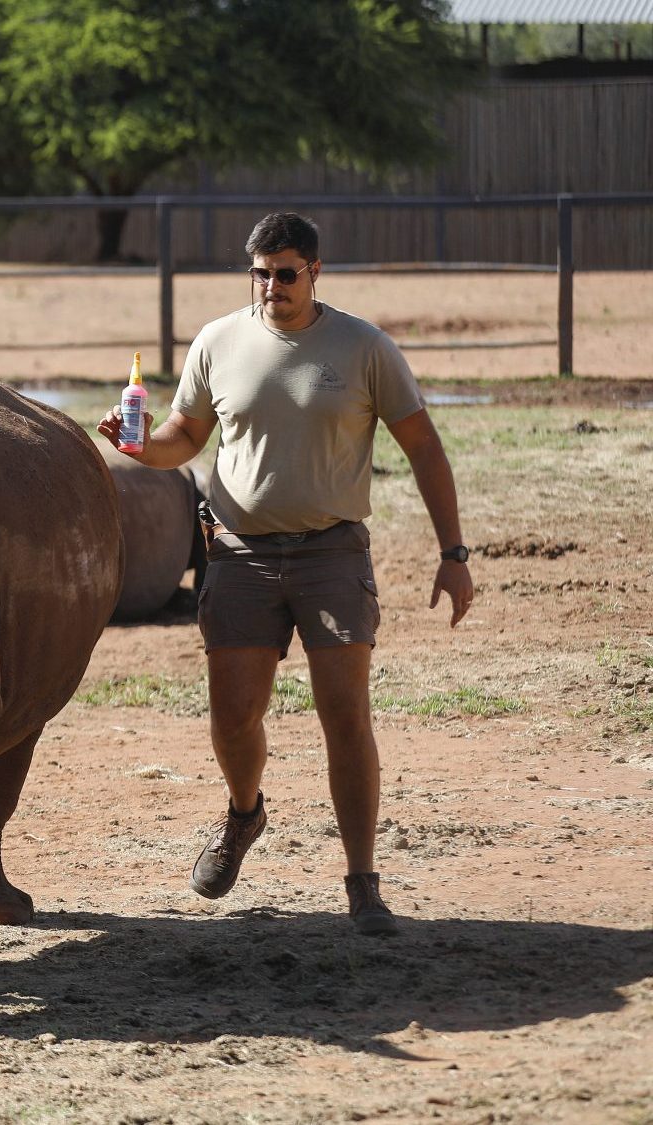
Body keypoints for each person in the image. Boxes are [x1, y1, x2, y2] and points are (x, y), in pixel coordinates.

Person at [98, 213, 473, 936]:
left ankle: (362, 881)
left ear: (316, 271)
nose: (272, 286)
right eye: (261, 272)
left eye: (287, 272)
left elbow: (424, 447)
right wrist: (140, 450)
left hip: (332, 554)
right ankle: (245, 812)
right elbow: (185, 437)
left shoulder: (363, 347)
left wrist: (452, 553)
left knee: (344, 716)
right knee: (234, 716)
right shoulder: (219, 341)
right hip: (237, 552)